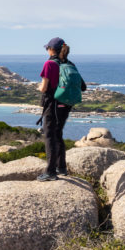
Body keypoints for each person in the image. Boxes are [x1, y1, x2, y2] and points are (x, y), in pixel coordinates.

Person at [37, 37, 86, 182]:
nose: (47, 50)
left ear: (51, 49)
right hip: (66, 103)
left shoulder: (49, 64)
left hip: (52, 104)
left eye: (48, 48)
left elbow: (44, 88)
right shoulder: (70, 64)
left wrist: (39, 88)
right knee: (58, 133)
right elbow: (83, 86)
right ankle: (61, 167)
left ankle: (50, 172)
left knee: (49, 135)